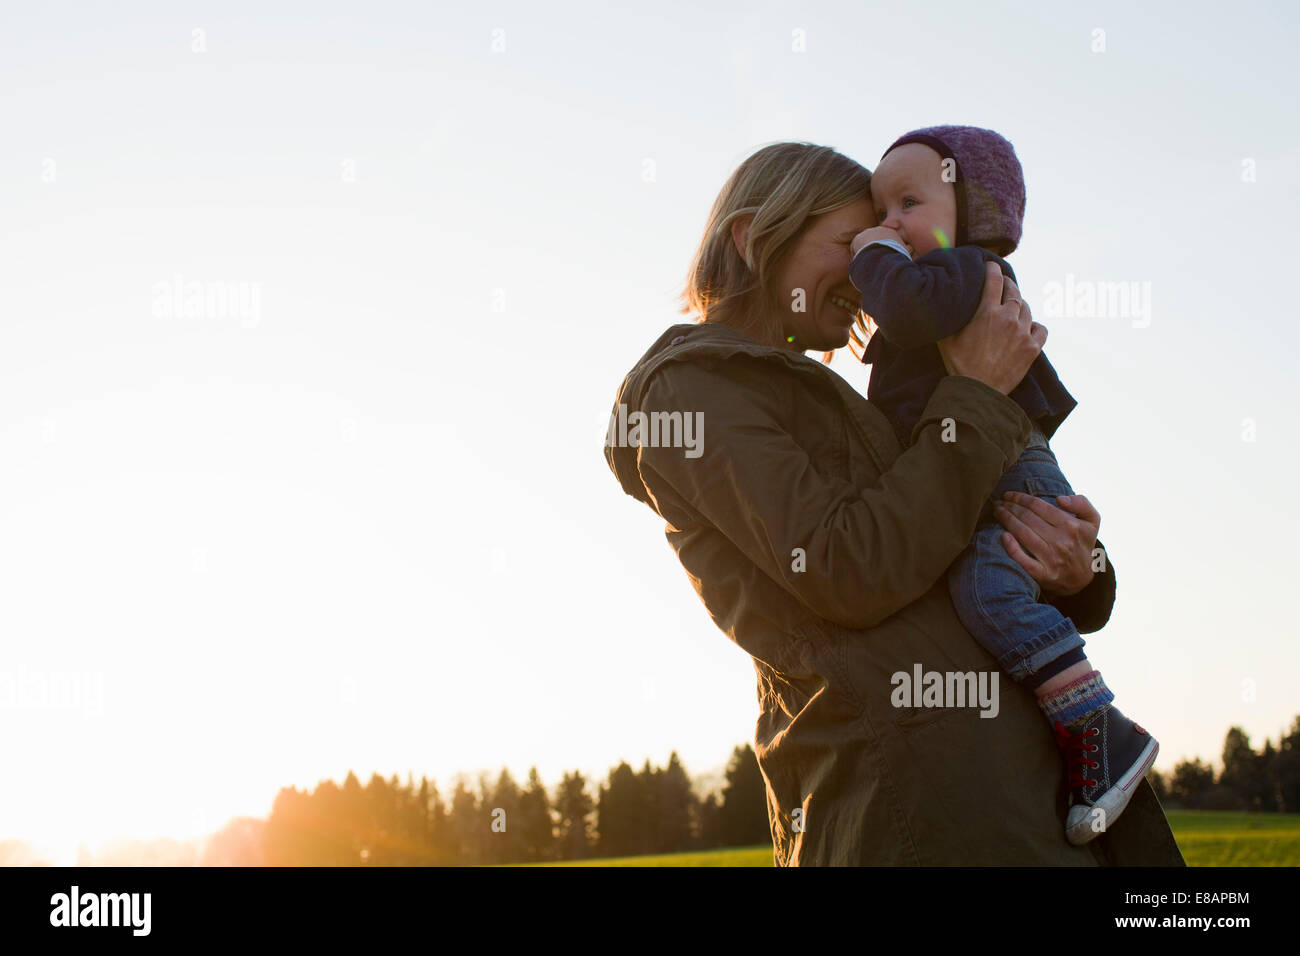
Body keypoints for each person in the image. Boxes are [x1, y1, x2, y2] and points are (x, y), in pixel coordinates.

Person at [603, 141, 1184, 865]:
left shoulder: (844, 396)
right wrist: (977, 394)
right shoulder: (690, 391)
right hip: (915, 813)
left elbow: (944, 534)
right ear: (754, 239)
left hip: (1019, 800)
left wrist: (1077, 567)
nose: (868, 267)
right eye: (851, 243)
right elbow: (848, 566)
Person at [847, 125, 1158, 845]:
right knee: (985, 587)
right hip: (987, 463)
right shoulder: (930, 294)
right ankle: (1082, 730)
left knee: (988, 589)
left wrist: (874, 261)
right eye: (876, 211)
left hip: (1012, 463)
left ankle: (1098, 725)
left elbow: (906, 307)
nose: (886, 224)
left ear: (973, 216)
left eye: (908, 203)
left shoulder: (972, 273)